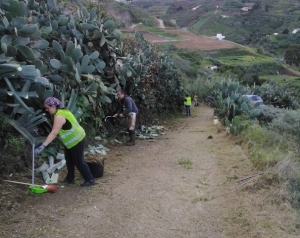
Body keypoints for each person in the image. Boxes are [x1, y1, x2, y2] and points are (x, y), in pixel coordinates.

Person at [34, 97, 95, 187]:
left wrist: (43, 146)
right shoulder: (61, 111)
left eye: (48, 108)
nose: (46, 110)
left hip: (76, 140)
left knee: (79, 162)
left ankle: (90, 179)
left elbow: (54, 132)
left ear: (53, 106)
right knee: (69, 160)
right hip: (70, 142)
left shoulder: (59, 116)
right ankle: (70, 179)